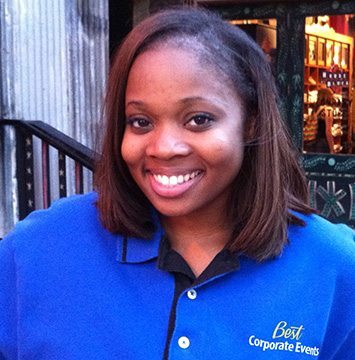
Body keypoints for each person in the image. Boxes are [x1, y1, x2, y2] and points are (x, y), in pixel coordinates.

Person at [0, 8, 354, 360]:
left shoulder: (334, 267)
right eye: (140, 122)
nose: (164, 148)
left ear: (251, 124)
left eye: (198, 120)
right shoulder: (37, 251)